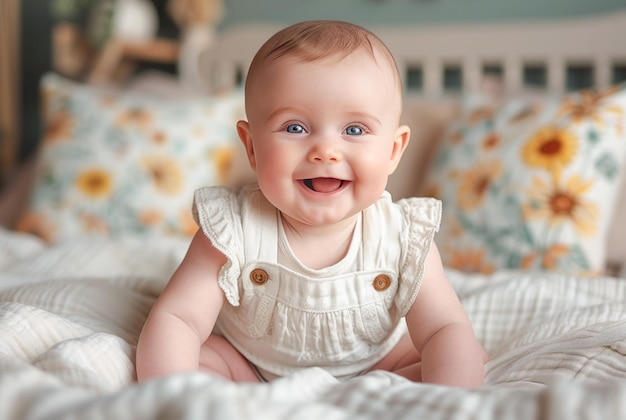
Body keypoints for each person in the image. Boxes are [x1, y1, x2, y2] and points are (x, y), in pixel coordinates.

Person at [136, 20, 486, 387]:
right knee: (195, 357)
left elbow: (442, 328)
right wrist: (169, 392)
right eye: (295, 128)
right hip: (249, 366)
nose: (325, 152)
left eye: (354, 130)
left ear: (393, 150)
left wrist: (454, 395)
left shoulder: (403, 238)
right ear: (252, 147)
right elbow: (179, 318)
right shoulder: (230, 231)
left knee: (458, 353)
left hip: (377, 364)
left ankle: (379, 396)